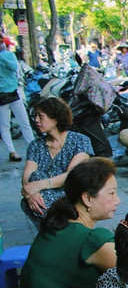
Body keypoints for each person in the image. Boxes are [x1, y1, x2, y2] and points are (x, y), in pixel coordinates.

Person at [20, 158, 120, 288]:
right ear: (87, 198)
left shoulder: (55, 224)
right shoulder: (93, 240)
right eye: (111, 193)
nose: (117, 200)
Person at [21, 97, 93, 228]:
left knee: (36, 186)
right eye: (35, 116)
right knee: (33, 183)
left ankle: (54, 230)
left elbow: (71, 176)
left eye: (41, 116)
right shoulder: (35, 145)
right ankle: (56, 230)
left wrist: (40, 185)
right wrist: (32, 192)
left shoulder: (80, 141)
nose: (36, 120)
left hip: (70, 193)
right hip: (44, 197)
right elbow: (27, 175)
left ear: (56, 118)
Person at [0, 35, 35, 162]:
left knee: (24, 121)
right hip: (1, 95)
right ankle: (12, 151)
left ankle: (33, 149)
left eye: (2, 43)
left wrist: (1, 56)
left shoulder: (9, 55)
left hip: (14, 92)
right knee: (4, 124)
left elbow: (13, 67)